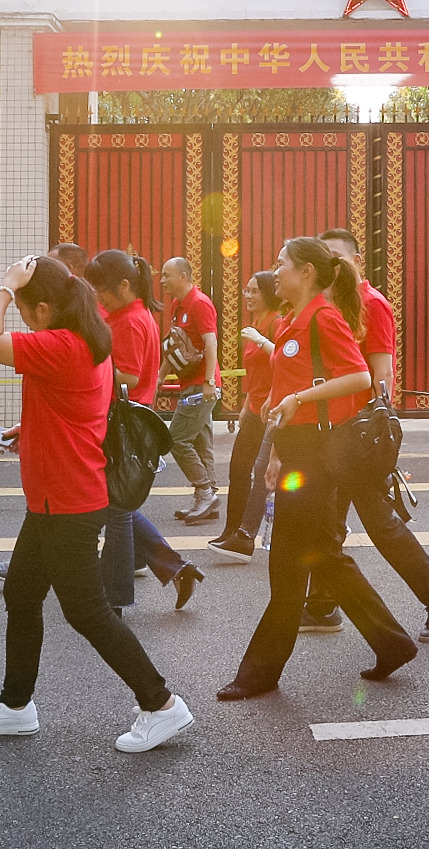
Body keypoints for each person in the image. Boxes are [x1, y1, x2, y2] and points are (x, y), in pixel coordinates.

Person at [0, 254, 195, 754]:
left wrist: (5, 287)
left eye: (24, 310)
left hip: (66, 500)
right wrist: (33, 428)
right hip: (56, 496)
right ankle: (15, 705)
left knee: (87, 612)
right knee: (22, 594)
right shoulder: (88, 340)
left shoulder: (61, 343)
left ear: (43, 309)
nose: (22, 319)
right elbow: (81, 409)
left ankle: (161, 704)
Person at [217, 237, 416, 700]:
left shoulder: (323, 317)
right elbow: (285, 393)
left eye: (281, 264)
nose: (275, 271)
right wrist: (276, 453)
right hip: (298, 451)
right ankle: (392, 643)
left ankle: (260, 671)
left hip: (318, 456)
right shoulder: (292, 319)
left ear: (306, 272)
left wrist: (299, 398)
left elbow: (360, 376)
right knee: (323, 557)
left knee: (288, 563)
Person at [303, 227, 429, 644]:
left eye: (338, 257)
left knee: (378, 523)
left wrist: (378, 429)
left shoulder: (371, 303)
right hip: (332, 433)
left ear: (357, 261)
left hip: (358, 437)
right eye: (325, 258)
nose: (332, 265)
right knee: (326, 519)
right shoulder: (327, 304)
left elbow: (382, 373)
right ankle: (322, 602)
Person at [88, 251, 204, 610]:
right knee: (118, 505)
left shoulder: (129, 321)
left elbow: (130, 376)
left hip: (120, 423)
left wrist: (88, 363)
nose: (99, 297)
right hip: (125, 420)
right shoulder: (134, 316)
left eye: (102, 290)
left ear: (124, 286)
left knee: (116, 510)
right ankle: (174, 569)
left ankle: (115, 598)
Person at [207, 271, 283, 558]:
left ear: (268, 293)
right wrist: (246, 401)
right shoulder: (256, 324)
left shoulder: (275, 323)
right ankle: (231, 531)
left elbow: (285, 362)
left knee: (262, 473)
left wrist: (261, 340)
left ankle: (245, 535)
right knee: (238, 470)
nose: (248, 296)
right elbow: (255, 372)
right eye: (246, 291)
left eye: (254, 291)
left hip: (271, 412)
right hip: (253, 410)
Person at [158, 257, 221, 524]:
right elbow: (174, 346)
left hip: (200, 386)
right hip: (190, 383)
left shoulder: (199, 303)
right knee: (201, 442)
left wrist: (209, 381)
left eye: (167, 275)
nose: (162, 280)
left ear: (183, 276)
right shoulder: (177, 304)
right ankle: (208, 498)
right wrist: (160, 377)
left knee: (177, 440)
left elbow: (211, 343)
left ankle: (205, 493)